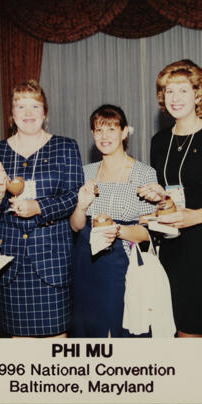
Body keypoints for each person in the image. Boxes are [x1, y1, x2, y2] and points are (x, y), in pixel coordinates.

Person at [137, 59, 202, 337]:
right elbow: (171, 194)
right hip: (173, 245)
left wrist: (194, 216)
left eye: (183, 90)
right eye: (169, 91)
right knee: (173, 326)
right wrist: (156, 202)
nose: (175, 98)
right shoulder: (159, 141)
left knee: (196, 330)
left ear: (198, 94)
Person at [0, 80, 83, 337]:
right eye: (20, 106)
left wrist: (39, 206)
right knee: (18, 342)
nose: (28, 113)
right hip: (12, 262)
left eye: (35, 106)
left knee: (57, 340)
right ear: (11, 114)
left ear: (45, 112)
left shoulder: (65, 147)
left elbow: (73, 196)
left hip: (52, 260)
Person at [70, 104, 157, 337]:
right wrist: (81, 205)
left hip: (120, 260)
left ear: (124, 132)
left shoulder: (143, 173)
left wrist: (116, 231)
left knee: (117, 328)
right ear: (92, 134)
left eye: (111, 129)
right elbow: (76, 226)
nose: (104, 136)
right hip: (84, 258)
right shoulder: (85, 172)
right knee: (86, 329)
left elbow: (148, 231)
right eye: (98, 130)